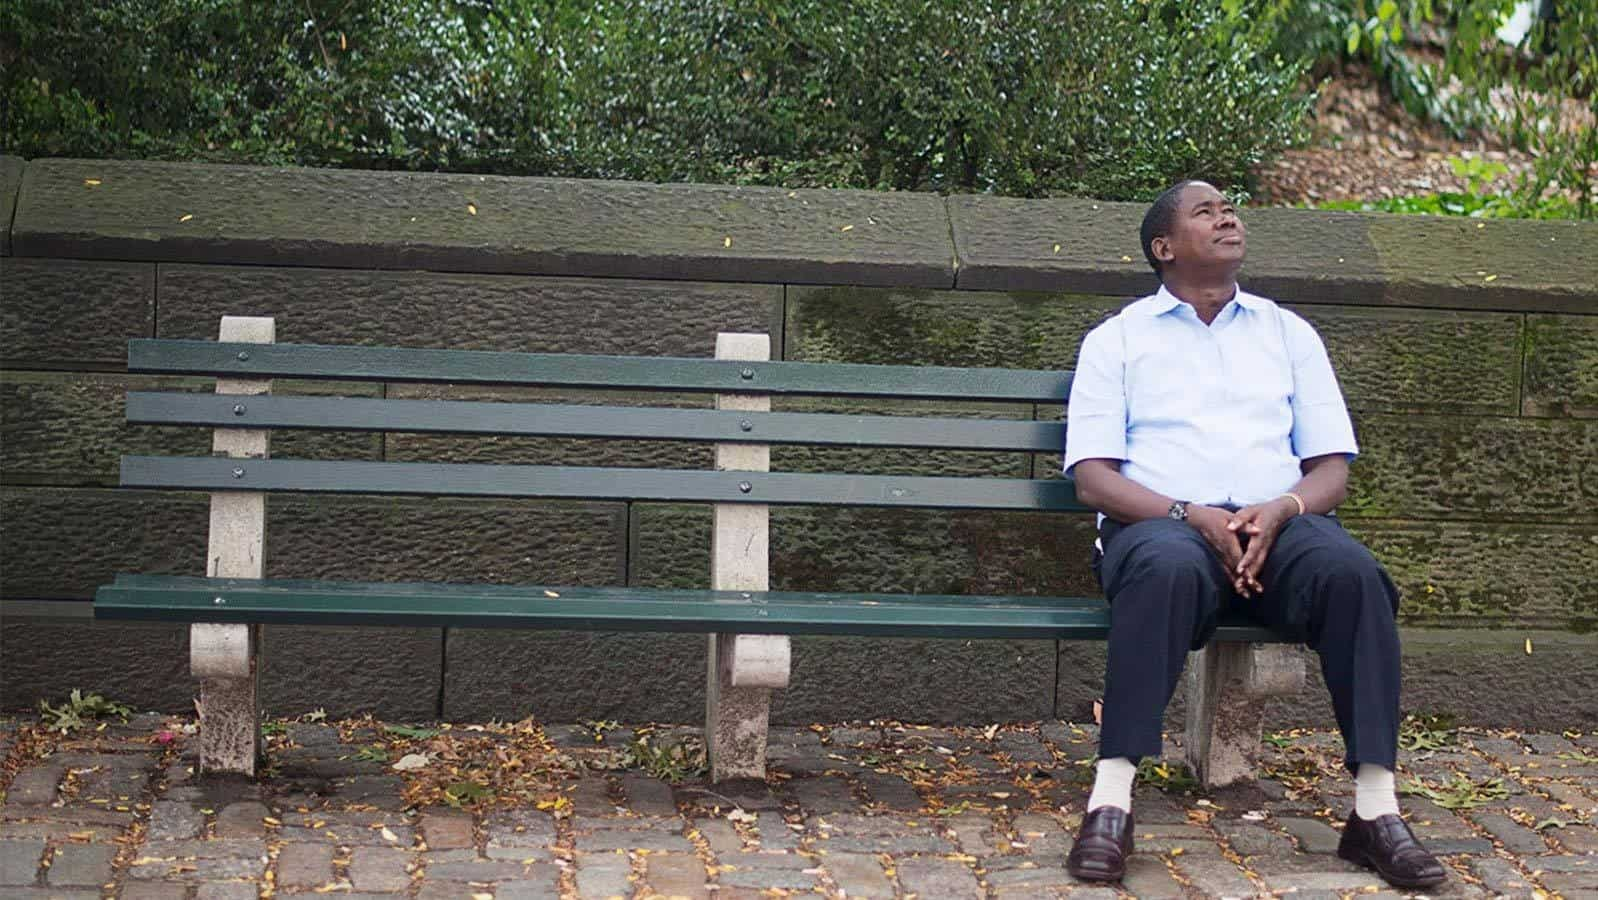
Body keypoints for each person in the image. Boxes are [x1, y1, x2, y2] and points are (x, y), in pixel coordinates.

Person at [1060, 180, 1446, 890]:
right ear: (1164, 247)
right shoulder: (1117, 340)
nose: (1227, 216)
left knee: (1355, 576)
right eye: (1205, 211)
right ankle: (1110, 802)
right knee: (1167, 570)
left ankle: (1374, 813)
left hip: (1279, 528)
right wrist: (1190, 514)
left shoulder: (1286, 332)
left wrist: (1284, 510)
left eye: (1230, 207)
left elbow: (1332, 468)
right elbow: (1093, 479)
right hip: (1161, 527)